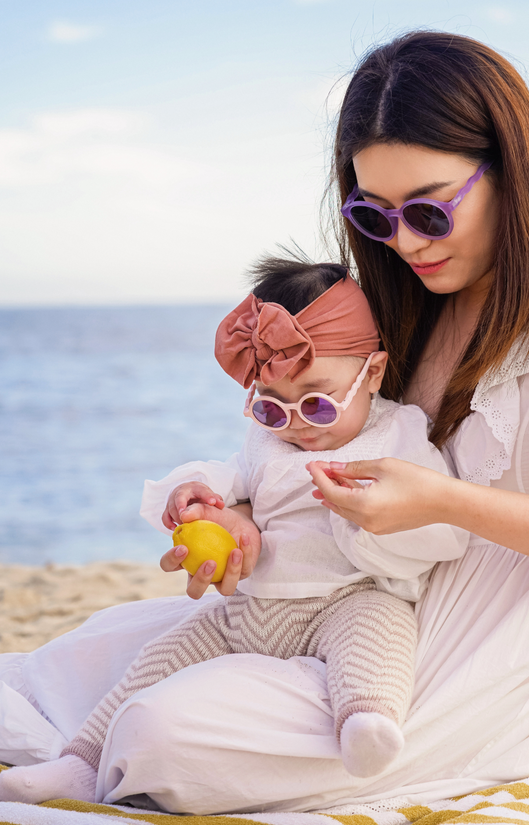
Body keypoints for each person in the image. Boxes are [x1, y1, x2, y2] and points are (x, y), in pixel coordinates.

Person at [0, 29, 529, 816]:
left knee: (162, 731)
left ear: (511, 169)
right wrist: (243, 513)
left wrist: (449, 503)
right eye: (374, 215)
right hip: (354, 603)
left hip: (520, 657)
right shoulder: (412, 299)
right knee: (63, 668)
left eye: (429, 209)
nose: (405, 241)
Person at [0, 259, 468, 803]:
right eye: (272, 407)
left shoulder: (397, 435)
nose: (294, 421)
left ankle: (365, 721)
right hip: (246, 610)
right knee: (155, 658)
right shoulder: (270, 440)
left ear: (374, 372)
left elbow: (441, 525)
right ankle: (79, 764)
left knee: (381, 632)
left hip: (345, 597)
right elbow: (237, 477)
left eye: (317, 402)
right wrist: (202, 495)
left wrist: (370, 520)